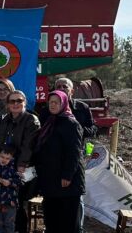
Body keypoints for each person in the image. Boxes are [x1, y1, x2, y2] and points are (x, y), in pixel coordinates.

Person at [0, 90, 40, 233]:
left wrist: (21, 165)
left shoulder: (31, 120)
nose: (16, 104)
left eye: (19, 101)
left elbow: (29, 145)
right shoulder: (2, 119)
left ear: (24, 103)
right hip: (2, 169)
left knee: (17, 205)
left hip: (20, 170)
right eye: (12, 101)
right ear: (7, 104)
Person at [33, 91, 85, 233]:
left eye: (57, 102)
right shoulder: (49, 121)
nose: (53, 105)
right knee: (52, 220)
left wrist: (67, 175)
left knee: (67, 222)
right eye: (51, 102)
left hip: (67, 182)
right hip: (51, 179)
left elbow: (74, 152)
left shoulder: (71, 123)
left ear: (64, 103)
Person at [0, 146, 21, 233]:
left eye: (7, 158)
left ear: (11, 158)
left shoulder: (13, 169)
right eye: (2, 157)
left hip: (10, 203)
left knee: (9, 224)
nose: (4, 160)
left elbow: (19, 182)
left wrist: (10, 183)